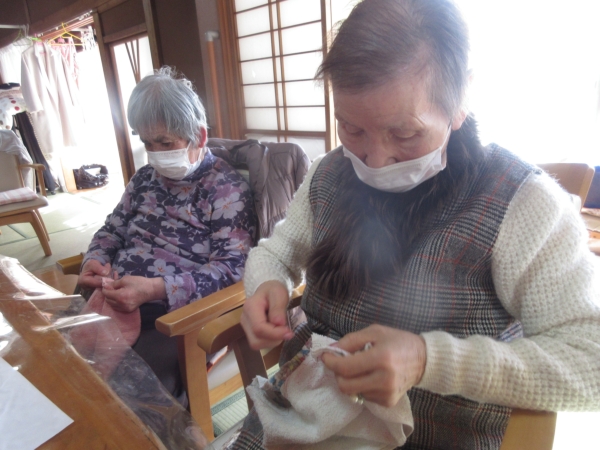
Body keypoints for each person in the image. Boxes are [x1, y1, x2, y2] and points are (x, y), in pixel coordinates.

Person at [233, 0, 600, 448]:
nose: (374, 160)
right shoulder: (328, 173)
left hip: (435, 435)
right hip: (305, 415)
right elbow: (276, 252)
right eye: (351, 128)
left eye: (405, 134)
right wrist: (266, 283)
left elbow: (591, 360)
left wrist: (429, 361)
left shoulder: (523, 204)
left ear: (460, 101)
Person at [78, 67, 256, 403]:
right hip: (112, 300)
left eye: (165, 142)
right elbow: (112, 228)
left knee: (128, 398)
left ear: (198, 136)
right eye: (147, 142)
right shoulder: (144, 179)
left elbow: (233, 270)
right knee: (58, 360)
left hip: (176, 317)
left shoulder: (225, 189)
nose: (156, 153)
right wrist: (95, 258)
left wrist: (154, 289)